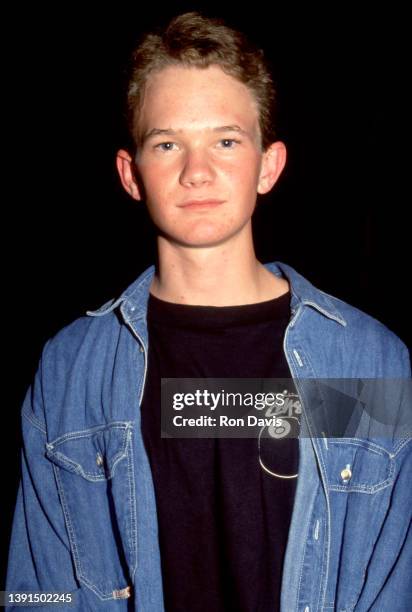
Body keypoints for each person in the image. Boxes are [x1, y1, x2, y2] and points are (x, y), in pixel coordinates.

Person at [6, 11, 411, 612]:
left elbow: (387, 580)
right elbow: (39, 592)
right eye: (167, 144)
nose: (197, 172)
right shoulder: (73, 368)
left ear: (268, 166)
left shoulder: (362, 358)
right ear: (131, 174)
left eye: (226, 140)